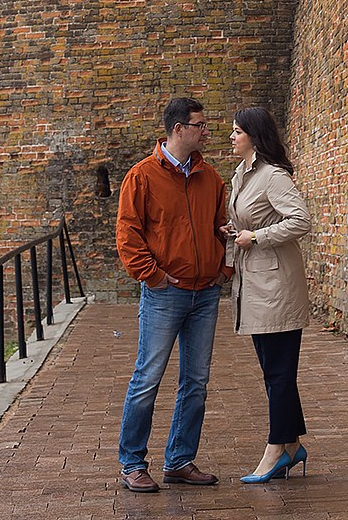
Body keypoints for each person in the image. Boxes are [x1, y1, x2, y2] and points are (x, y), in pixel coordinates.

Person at [115, 97, 229, 493]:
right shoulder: (142, 176)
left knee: (196, 381)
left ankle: (179, 460)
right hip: (165, 294)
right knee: (148, 378)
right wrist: (154, 277)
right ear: (178, 129)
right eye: (200, 125)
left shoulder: (210, 178)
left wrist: (223, 270)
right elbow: (128, 235)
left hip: (205, 294)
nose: (206, 132)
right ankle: (132, 463)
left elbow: (221, 228)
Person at [227, 105, 312, 483]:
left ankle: (276, 449)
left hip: (277, 288)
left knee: (279, 373)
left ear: (254, 136)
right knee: (274, 372)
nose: (232, 137)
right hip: (256, 285)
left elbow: (301, 220)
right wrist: (236, 232)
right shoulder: (242, 175)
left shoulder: (273, 176)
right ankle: (292, 446)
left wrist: (257, 236)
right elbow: (251, 221)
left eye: (237, 131)